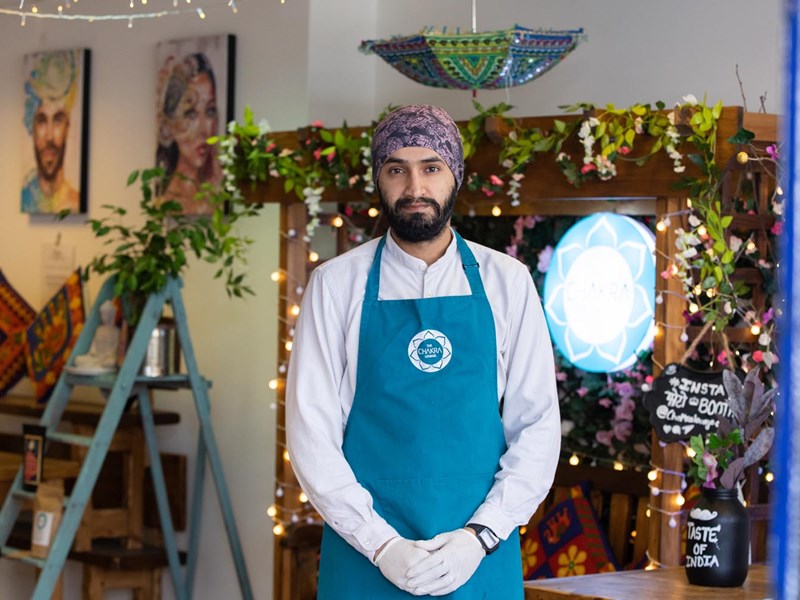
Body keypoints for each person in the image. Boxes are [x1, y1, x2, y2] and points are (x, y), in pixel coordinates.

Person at [286, 104, 560, 598]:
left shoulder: (508, 282)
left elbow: (537, 426)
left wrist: (479, 538)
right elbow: (311, 436)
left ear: (454, 175)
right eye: (397, 169)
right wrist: (382, 546)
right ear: (379, 180)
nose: (414, 188)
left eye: (431, 167)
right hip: (364, 559)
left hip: (477, 561)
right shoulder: (335, 285)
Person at [156, 52, 222, 215]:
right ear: (170, 123)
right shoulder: (166, 201)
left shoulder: (216, 197)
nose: (204, 130)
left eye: (210, 111)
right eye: (191, 114)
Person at [22, 50, 81, 214]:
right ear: (31, 127)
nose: (49, 136)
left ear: (68, 127)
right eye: (41, 121)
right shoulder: (25, 198)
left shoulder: (75, 202)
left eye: (57, 120)